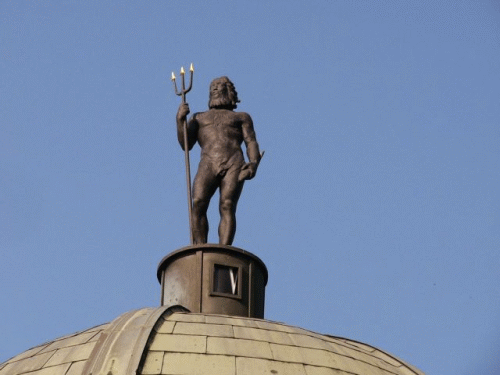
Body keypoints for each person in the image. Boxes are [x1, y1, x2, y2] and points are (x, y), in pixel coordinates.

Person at [176, 76, 261, 245]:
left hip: (233, 162)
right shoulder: (199, 118)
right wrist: (180, 120)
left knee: (227, 204)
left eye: (219, 86)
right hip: (208, 162)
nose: (214, 88)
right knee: (198, 202)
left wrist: (253, 163)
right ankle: (200, 247)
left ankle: (224, 248)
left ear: (228, 90)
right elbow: (186, 144)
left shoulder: (241, 117)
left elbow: (251, 141)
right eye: (212, 86)